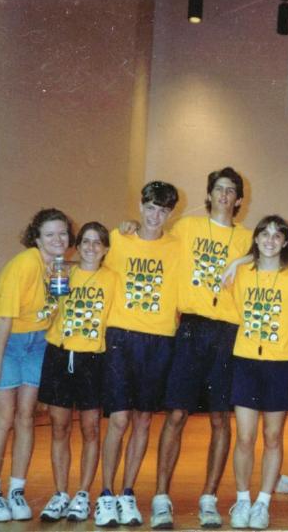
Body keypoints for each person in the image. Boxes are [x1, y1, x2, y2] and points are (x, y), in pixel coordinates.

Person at [151, 167, 253, 529]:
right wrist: (130, 227)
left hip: (228, 333)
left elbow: (281, 252)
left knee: (220, 418)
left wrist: (240, 260)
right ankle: (160, 497)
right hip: (191, 328)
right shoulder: (187, 228)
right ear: (209, 195)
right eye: (218, 188)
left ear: (239, 199)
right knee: (176, 414)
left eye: (231, 190)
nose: (224, 194)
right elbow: (153, 237)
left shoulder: (248, 238)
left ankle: (209, 498)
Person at [0, 208, 72, 522]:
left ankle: (16, 490)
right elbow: (5, 317)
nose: (58, 239)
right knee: (4, 418)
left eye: (63, 233)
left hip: (36, 343)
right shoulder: (25, 264)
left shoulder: (58, 267)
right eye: (50, 234)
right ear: (37, 238)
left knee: (26, 417)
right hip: (4, 339)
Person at [94, 181, 180, 527]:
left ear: (170, 214)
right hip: (120, 336)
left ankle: (127, 493)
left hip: (159, 339)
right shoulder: (118, 239)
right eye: (150, 208)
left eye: (163, 210)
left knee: (143, 420)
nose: (155, 216)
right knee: (118, 419)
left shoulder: (178, 246)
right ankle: (105, 493)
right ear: (140, 206)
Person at [227, 216, 288, 530]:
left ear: (286, 242)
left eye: (277, 236)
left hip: (281, 363)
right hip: (246, 361)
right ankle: (242, 499)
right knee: (245, 437)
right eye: (265, 234)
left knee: (273, 436)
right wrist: (240, 260)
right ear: (256, 239)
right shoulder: (241, 273)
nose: (270, 240)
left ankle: (262, 503)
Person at [37, 222, 117, 523]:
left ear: (106, 249)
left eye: (98, 242)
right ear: (78, 245)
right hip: (59, 354)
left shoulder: (113, 279)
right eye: (86, 241)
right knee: (59, 427)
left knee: (91, 429)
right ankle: (60, 493)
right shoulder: (63, 273)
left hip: (93, 360)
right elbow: (49, 310)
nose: (91, 247)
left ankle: (82, 494)